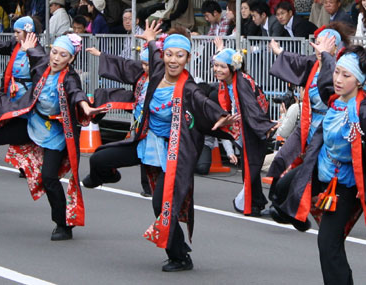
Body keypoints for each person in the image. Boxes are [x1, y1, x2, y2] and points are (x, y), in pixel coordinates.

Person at [83, 20, 239, 271]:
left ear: (188, 58)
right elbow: (149, 55)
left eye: (180, 55)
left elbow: (206, 105)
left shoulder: (189, 89)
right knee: (99, 159)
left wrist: (221, 117)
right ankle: (107, 176)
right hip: (145, 139)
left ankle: (179, 256)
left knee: (161, 204)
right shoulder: (155, 73)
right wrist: (150, 40)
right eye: (169, 54)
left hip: (174, 151)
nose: (173, 60)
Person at [0, 33, 106, 240]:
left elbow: (76, 92)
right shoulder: (43, 65)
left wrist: (85, 104)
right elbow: (36, 54)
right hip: (34, 121)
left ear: (71, 59)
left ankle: (62, 225)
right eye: (55, 52)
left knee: (49, 178)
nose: (57, 58)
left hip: (56, 133)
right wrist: (27, 47)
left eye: (63, 55)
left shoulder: (69, 78)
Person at [271, 44, 366, 285]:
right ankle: (299, 217)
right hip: (318, 167)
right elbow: (324, 75)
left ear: (360, 80)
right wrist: (325, 55)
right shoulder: (333, 98)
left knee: (328, 243)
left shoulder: (362, 111)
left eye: (346, 75)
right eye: (338, 73)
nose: (338, 79)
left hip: (345, 183)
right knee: (280, 190)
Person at [267, 23, 351, 230]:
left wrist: (328, 57)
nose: (316, 45)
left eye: (322, 42)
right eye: (317, 41)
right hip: (308, 126)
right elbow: (298, 61)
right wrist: (279, 51)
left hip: (327, 132)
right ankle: (292, 210)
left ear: (334, 45)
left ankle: (298, 214)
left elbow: (331, 92)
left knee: (304, 177)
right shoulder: (315, 64)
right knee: (281, 163)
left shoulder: (339, 70)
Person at [211, 48, 278, 216]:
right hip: (246, 127)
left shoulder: (241, 82)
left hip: (253, 129)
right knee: (250, 167)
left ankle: (256, 204)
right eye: (216, 66)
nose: (218, 70)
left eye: (222, 67)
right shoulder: (230, 81)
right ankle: (256, 202)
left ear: (233, 68)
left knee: (251, 167)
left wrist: (264, 127)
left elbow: (252, 107)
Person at [85, 46, 153, 197]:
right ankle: (106, 175)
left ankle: (150, 186)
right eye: (144, 64)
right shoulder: (142, 74)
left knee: (152, 154)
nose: (145, 67)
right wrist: (102, 54)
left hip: (157, 129)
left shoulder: (167, 81)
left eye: (149, 64)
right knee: (101, 157)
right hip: (140, 122)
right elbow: (125, 65)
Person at [0, 16, 43, 102]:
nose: (15, 35)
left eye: (18, 32)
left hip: (26, 93)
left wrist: (29, 51)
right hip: (11, 89)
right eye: (14, 32)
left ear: (28, 33)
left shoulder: (37, 51)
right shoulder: (15, 44)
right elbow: (5, 46)